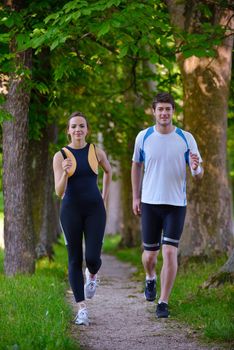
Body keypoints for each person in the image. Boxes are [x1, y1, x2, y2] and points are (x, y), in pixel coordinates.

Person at [131, 92, 204, 318]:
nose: (164, 113)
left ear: (173, 112)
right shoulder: (143, 137)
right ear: (154, 112)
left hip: (175, 204)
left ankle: (163, 302)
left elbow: (198, 173)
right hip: (150, 203)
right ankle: (150, 277)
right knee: (150, 256)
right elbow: (136, 166)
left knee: (170, 253)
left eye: (168, 109)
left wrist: (195, 167)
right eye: (160, 109)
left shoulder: (186, 138)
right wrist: (135, 197)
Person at [53, 111, 112, 326]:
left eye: (82, 126)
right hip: (70, 211)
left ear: (87, 130)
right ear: (68, 131)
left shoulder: (96, 152)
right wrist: (65, 174)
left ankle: (93, 275)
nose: (78, 129)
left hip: (95, 210)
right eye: (74, 126)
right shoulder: (60, 155)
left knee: (93, 258)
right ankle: (82, 309)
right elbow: (59, 192)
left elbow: (108, 171)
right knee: (74, 259)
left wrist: (104, 198)